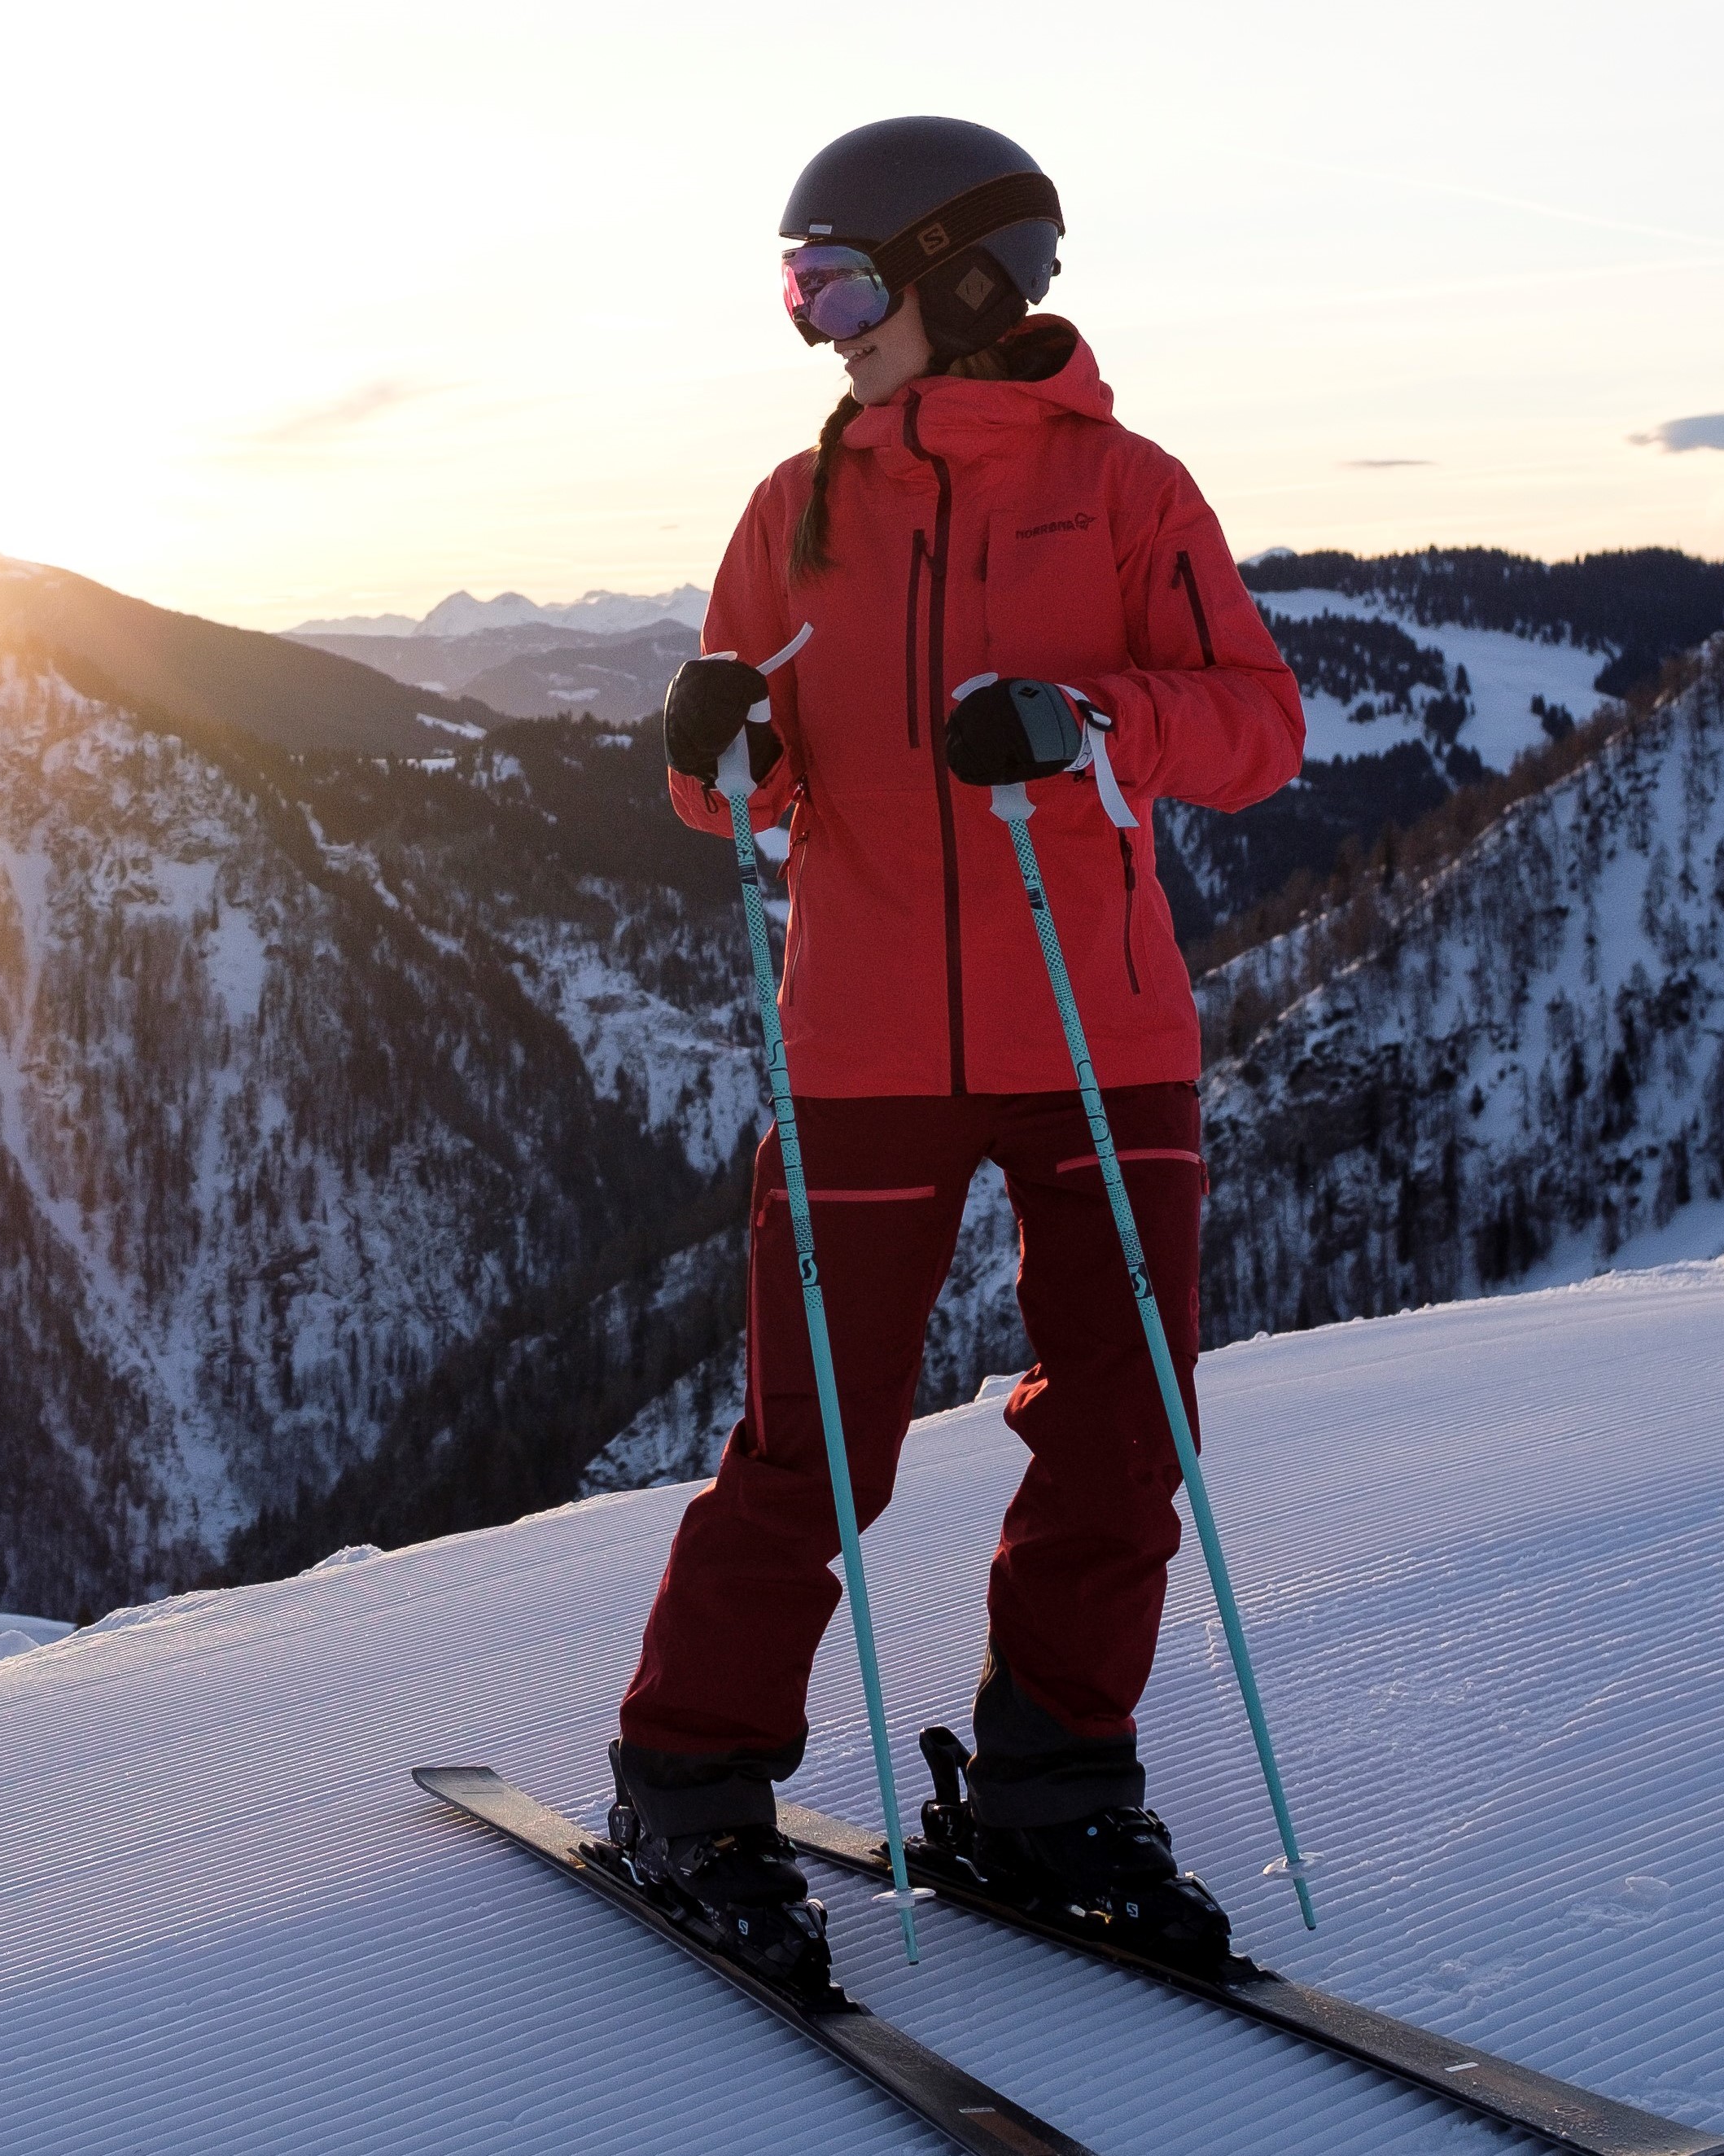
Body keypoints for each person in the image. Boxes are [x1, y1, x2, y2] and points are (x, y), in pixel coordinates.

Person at [606, 116, 1305, 1989]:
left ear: (965, 278)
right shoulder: (798, 509)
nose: (815, 324)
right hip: (864, 1052)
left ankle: (1055, 1789)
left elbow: (1260, 725)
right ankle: (685, 1779)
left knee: (1123, 1429)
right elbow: (732, 783)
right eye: (795, 287)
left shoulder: (1133, 494)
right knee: (813, 1447)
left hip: (1104, 1037)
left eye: (834, 280)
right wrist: (710, 748)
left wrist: (1091, 723)